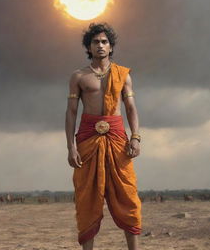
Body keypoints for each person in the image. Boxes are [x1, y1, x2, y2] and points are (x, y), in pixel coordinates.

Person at [65, 22, 142, 250]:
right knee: (87, 197)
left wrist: (135, 137)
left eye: (104, 42)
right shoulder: (78, 76)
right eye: (96, 42)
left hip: (118, 139)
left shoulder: (123, 75)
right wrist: (71, 147)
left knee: (127, 195)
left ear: (111, 47)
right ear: (88, 47)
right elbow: (71, 113)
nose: (100, 45)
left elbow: (131, 108)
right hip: (87, 139)